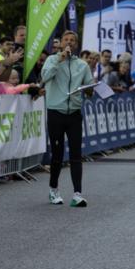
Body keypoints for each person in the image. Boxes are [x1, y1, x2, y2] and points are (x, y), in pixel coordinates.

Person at [41, 30, 93, 207]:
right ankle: (53, 189)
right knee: (57, 154)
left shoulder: (82, 65)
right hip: (56, 111)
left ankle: (77, 194)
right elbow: (45, 77)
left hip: (74, 113)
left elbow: (89, 88)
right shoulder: (51, 60)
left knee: (76, 154)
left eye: (72, 40)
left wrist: (90, 89)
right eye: (66, 40)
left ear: (76, 44)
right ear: (60, 43)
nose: (69, 43)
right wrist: (59, 59)